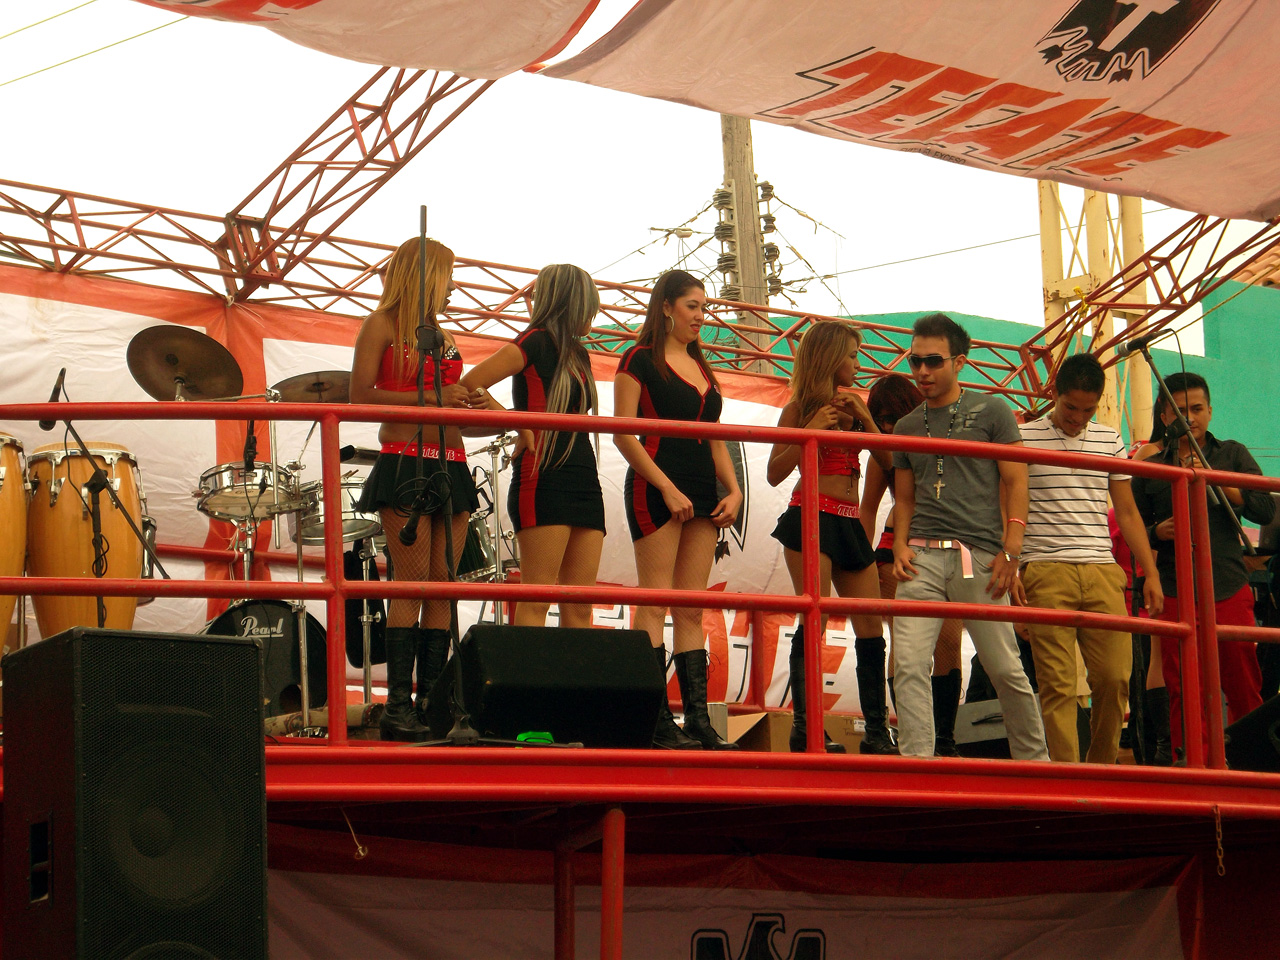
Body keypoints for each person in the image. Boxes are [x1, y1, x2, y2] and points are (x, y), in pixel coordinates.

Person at [889, 313, 1048, 761]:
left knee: (1006, 668)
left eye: (933, 361)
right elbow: (905, 498)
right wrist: (899, 544)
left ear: (959, 362)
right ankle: (917, 767)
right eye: (915, 361)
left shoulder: (993, 411)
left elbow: (1017, 481)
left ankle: (1036, 765)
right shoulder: (905, 426)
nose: (922, 371)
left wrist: (1011, 550)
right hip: (920, 557)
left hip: (979, 557)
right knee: (908, 666)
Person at [350, 237, 482, 741]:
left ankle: (430, 701)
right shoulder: (381, 324)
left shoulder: (443, 334)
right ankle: (398, 706)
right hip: (404, 460)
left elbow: (450, 402)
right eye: (448, 276)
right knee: (411, 580)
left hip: (454, 461)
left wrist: (477, 406)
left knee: (444, 582)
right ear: (425, 276)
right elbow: (359, 396)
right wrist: (433, 398)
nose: (454, 287)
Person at [613, 270, 743, 750]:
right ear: (666, 306)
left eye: (705, 307)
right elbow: (622, 432)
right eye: (693, 306)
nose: (701, 316)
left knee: (692, 608)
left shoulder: (701, 363)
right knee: (654, 601)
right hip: (656, 486)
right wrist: (666, 487)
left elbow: (714, 436)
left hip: (704, 491)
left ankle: (699, 722)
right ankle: (654, 721)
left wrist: (735, 491)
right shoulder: (638, 358)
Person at [1012, 353, 1164, 764]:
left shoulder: (1109, 439)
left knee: (1115, 679)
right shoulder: (1023, 438)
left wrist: (1150, 572)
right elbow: (1008, 509)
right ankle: (1068, 778)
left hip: (1102, 570)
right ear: (1054, 394)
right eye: (1070, 408)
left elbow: (1127, 511)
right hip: (1044, 569)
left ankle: (1101, 771)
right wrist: (1013, 573)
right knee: (1058, 685)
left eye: (1088, 410)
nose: (1078, 418)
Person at [1131, 371, 1274, 762]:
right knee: (1183, 687)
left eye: (1196, 408)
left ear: (1210, 411)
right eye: (1179, 410)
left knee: (1243, 681)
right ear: (1164, 416)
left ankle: (1251, 763)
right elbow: (1132, 525)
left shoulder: (1233, 454)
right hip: (1175, 588)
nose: (1189, 417)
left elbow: (1266, 509)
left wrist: (1221, 481)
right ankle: (1193, 764)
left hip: (1228, 584)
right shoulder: (1151, 467)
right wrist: (1157, 531)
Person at [766, 321, 895, 754]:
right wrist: (811, 431)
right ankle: (807, 728)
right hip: (810, 515)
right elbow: (774, 473)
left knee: (871, 624)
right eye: (853, 355)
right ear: (830, 357)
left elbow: (890, 461)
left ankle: (876, 732)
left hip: (849, 521)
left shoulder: (856, 407)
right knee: (814, 619)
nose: (859, 364)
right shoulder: (798, 408)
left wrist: (867, 419)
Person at [460, 264, 605, 629]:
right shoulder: (534, 340)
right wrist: (514, 421)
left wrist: (515, 420)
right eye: (589, 305)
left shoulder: (579, 353)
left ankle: (573, 670)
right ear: (571, 302)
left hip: (585, 477)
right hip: (543, 476)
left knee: (580, 606)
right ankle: (529, 670)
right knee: (537, 597)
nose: (593, 313)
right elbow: (469, 384)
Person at [861, 373, 965, 757]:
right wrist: (859, 561)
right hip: (896, 549)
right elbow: (867, 509)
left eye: (892, 416)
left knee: (949, 642)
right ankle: (913, 740)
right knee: (905, 645)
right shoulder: (883, 453)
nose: (886, 426)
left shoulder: (944, 437)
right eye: (879, 418)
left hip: (949, 547)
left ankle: (944, 741)